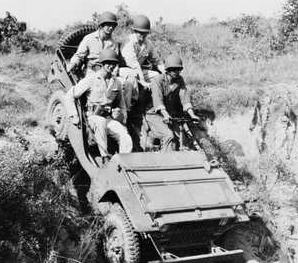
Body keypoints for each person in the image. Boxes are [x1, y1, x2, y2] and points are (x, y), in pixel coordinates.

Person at [66, 49, 132, 164]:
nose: (111, 66)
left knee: (124, 134)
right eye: (108, 63)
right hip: (92, 116)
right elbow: (70, 95)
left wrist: (123, 118)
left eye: (114, 64)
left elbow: (122, 105)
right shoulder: (91, 79)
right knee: (100, 122)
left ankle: (123, 163)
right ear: (102, 64)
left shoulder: (116, 82)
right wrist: (74, 115)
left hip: (108, 118)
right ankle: (105, 157)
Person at [119, 15, 164, 150]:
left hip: (139, 71)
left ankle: (154, 105)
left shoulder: (148, 44)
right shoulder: (129, 43)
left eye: (144, 33)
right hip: (124, 70)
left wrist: (165, 73)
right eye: (139, 33)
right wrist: (143, 82)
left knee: (156, 76)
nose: (142, 36)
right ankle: (127, 110)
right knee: (132, 78)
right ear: (134, 32)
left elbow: (157, 60)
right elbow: (133, 65)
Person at [143, 55, 200, 152]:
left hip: (169, 114)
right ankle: (166, 160)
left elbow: (184, 97)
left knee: (182, 138)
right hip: (154, 114)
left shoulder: (179, 80)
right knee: (168, 135)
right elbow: (157, 99)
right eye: (174, 70)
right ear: (168, 70)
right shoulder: (157, 80)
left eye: (179, 69)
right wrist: (165, 114)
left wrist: (192, 114)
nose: (177, 72)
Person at [67, 11, 120, 77]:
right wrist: (73, 63)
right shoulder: (89, 38)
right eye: (108, 25)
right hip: (91, 71)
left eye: (113, 25)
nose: (111, 28)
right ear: (102, 25)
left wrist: (113, 76)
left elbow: (115, 63)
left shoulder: (114, 44)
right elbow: (79, 55)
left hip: (107, 72)